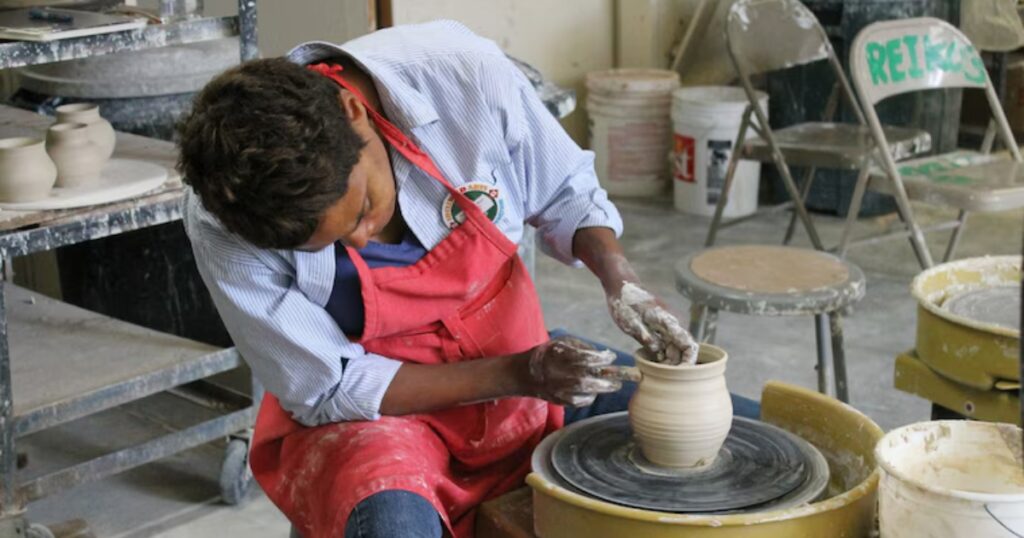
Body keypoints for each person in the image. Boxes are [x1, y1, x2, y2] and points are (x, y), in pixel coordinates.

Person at [177, 20, 756, 538]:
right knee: (390, 522)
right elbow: (328, 387)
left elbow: (564, 193)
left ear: (352, 113)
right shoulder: (222, 218)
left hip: (521, 363)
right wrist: (518, 373)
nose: (358, 242)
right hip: (381, 419)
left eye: (360, 212)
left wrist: (620, 279)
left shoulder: (459, 78)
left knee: (748, 432)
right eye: (326, 245)